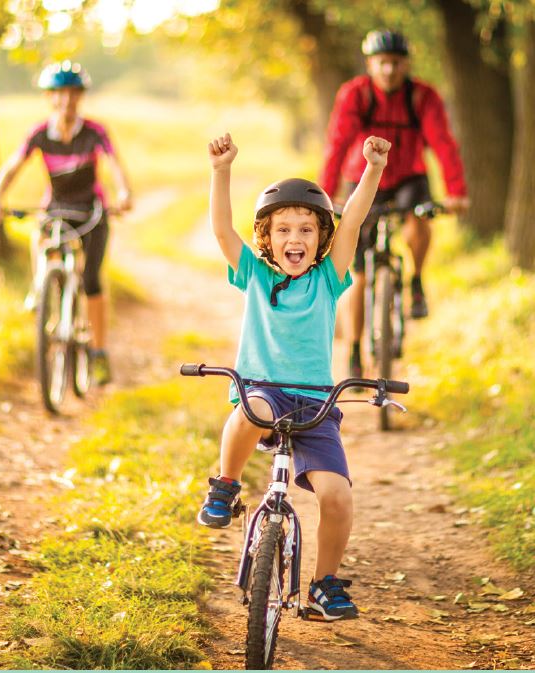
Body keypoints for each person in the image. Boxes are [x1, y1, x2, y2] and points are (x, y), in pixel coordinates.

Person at [198, 130, 391, 621]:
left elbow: (354, 222)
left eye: (306, 230)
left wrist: (372, 169)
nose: (295, 240)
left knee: (337, 495)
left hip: (317, 405)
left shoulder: (330, 278)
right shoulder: (256, 276)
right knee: (251, 410)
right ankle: (226, 485)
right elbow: (222, 232)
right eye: (283, 230)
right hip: (264, 390)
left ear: (321, 239)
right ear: (267, 238)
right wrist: (221, 172)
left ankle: (324, 584)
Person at [319, 29, 468, 379]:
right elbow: (337, 143)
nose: (389, 70)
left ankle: (416, 280)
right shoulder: (355, 94)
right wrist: (325, 194)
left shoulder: (422, 97)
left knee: (420, 218)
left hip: (408, 178)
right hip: (365, 179)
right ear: (370, 64)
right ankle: (355, 354)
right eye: (382, 63)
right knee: (357, 274)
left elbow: (443, 143)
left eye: (396, 63)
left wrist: (456, 191)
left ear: (406, 64)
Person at [0, 60, 133, 385]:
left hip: (92, 211)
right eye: (59, 94)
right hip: (57, 208)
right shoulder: (39, 133)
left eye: (73, 94)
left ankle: (99, 352)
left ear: (80, 97)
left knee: (92, 281)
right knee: (41, 232)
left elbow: (114, 164)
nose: (66, 101)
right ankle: (41, 286)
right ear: (50, 97)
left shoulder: (95, 132)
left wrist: (123, 193)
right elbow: (12, 166)